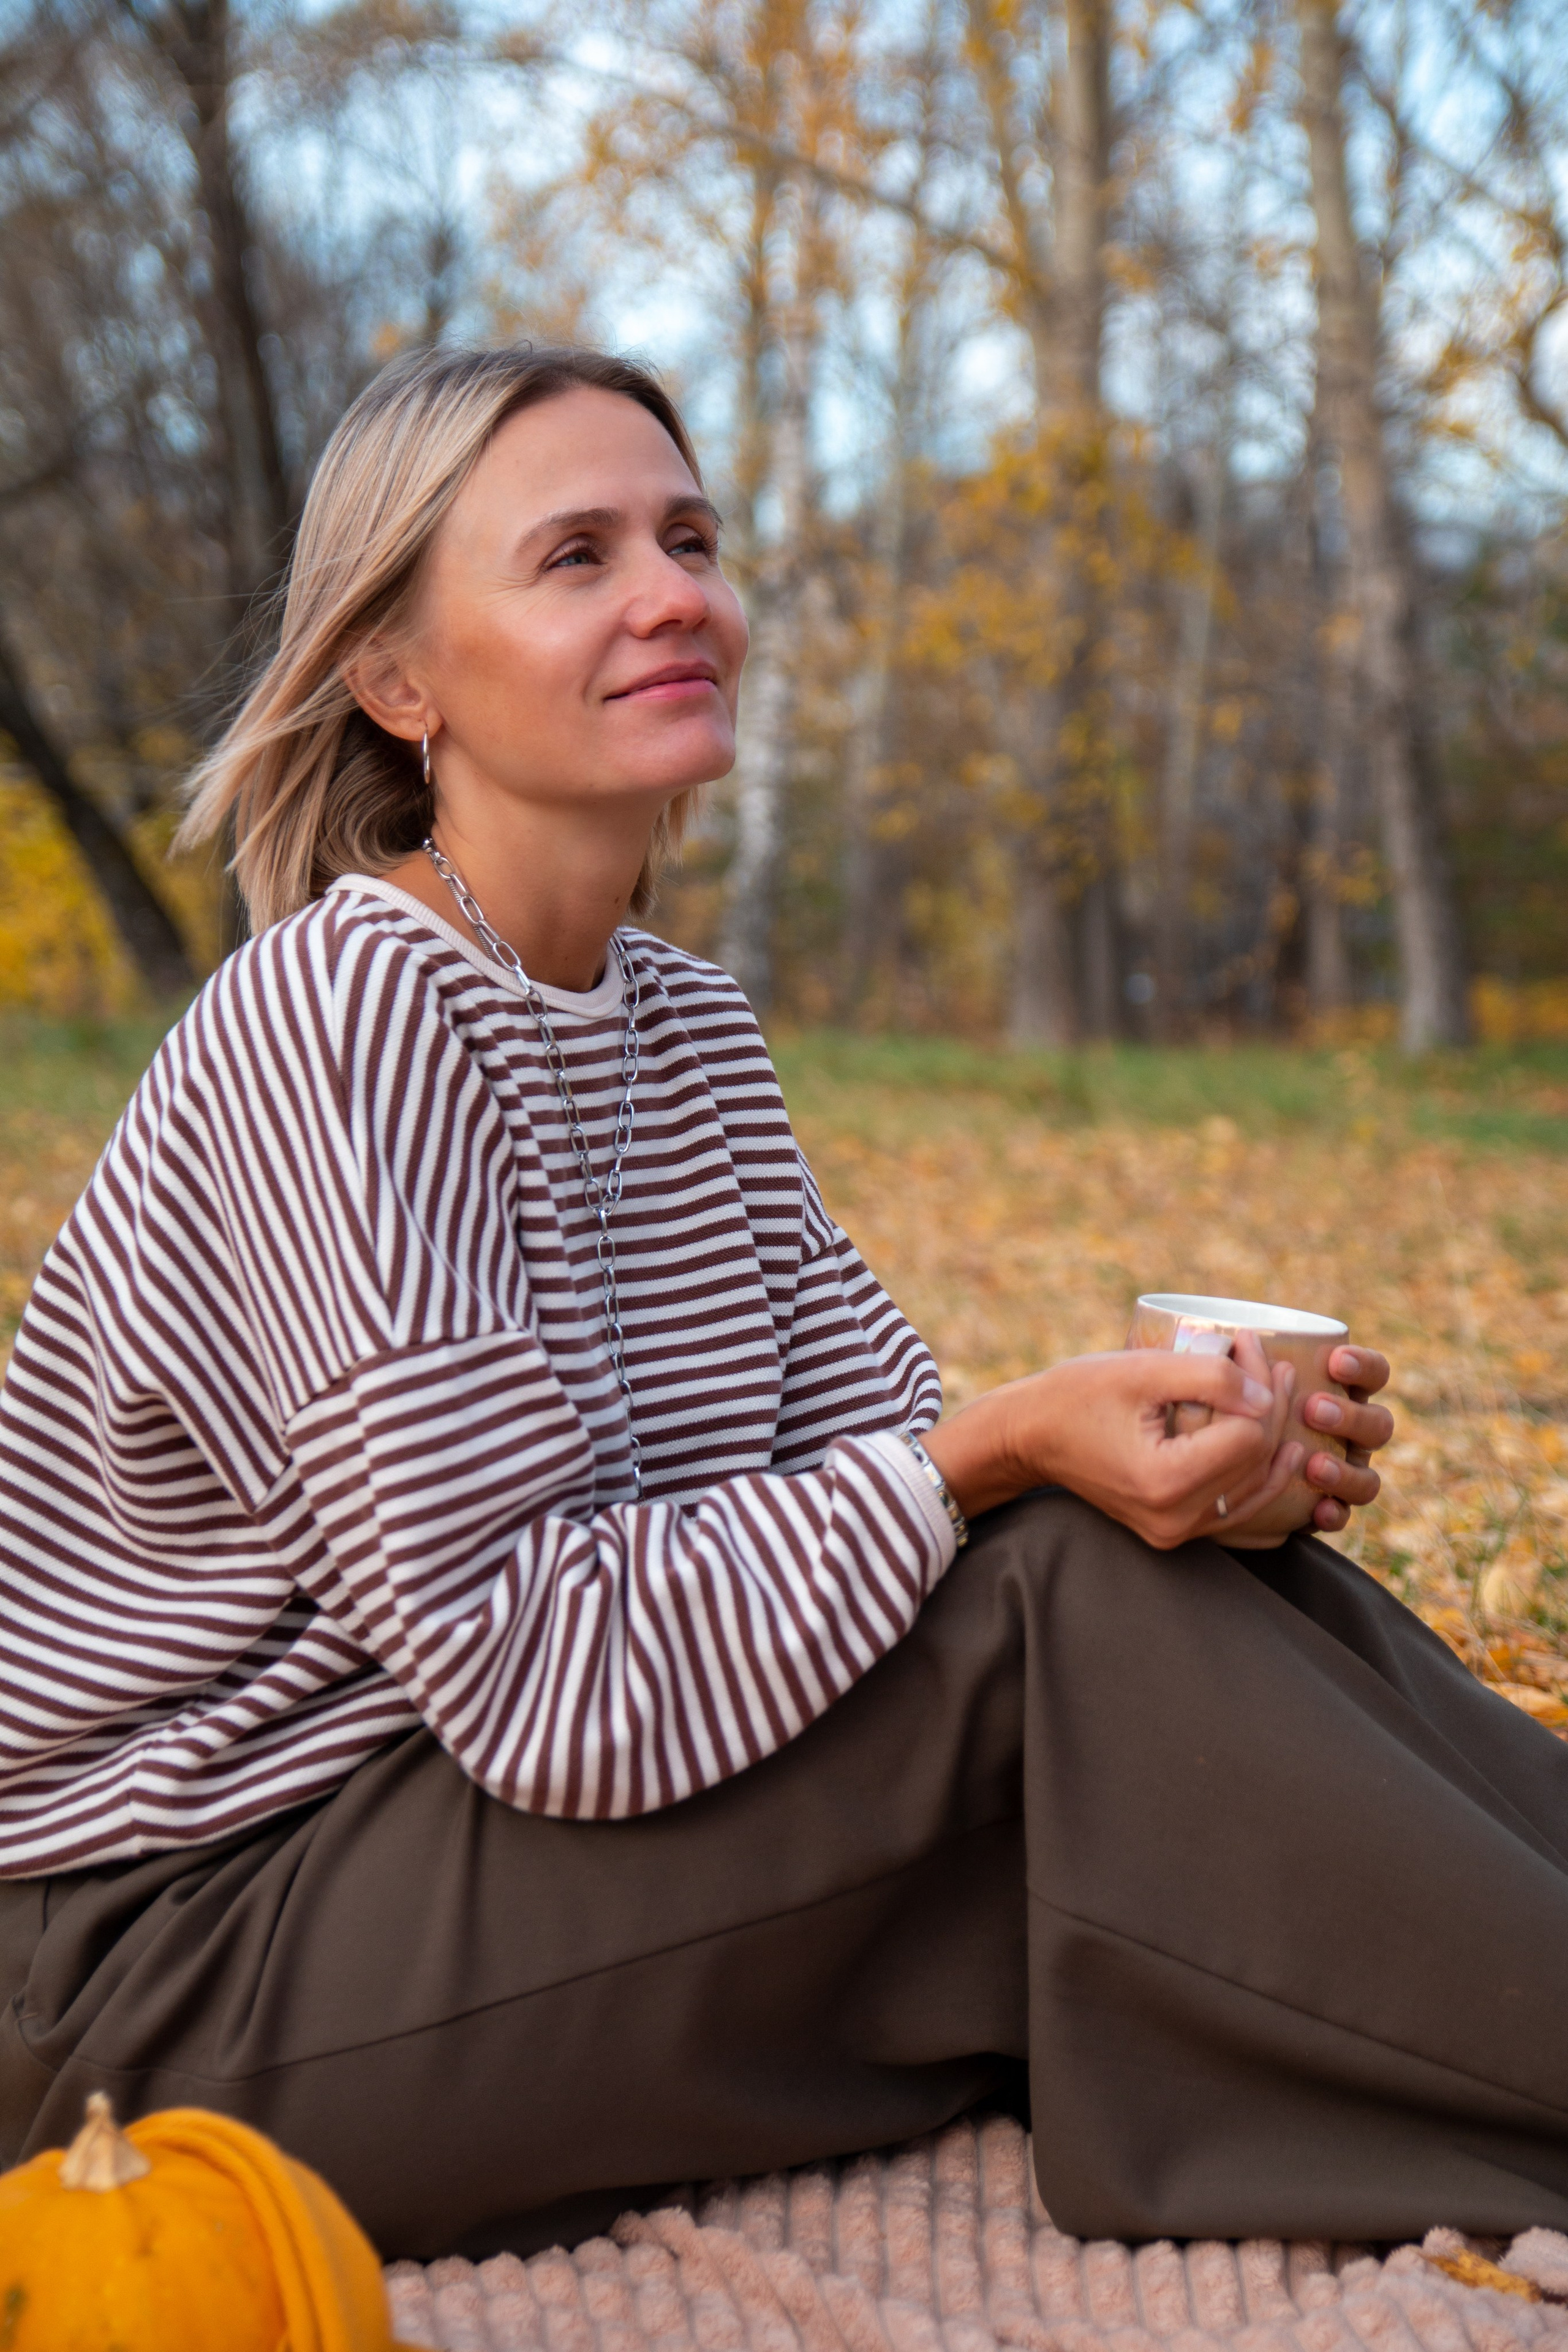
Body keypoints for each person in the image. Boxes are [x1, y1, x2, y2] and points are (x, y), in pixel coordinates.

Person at [0, 343, 1563, 2264]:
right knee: (1058, 1615)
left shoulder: (685, 1028)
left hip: (453, 1830)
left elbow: (901, 1484)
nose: (675, 594)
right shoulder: (346, 1020)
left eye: (691, 539)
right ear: (397, 680)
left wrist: (1180, 1468)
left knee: (1109, 1572)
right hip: (173, 1954)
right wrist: (1000, 1454)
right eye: (576, 556)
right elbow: (547, 1678)